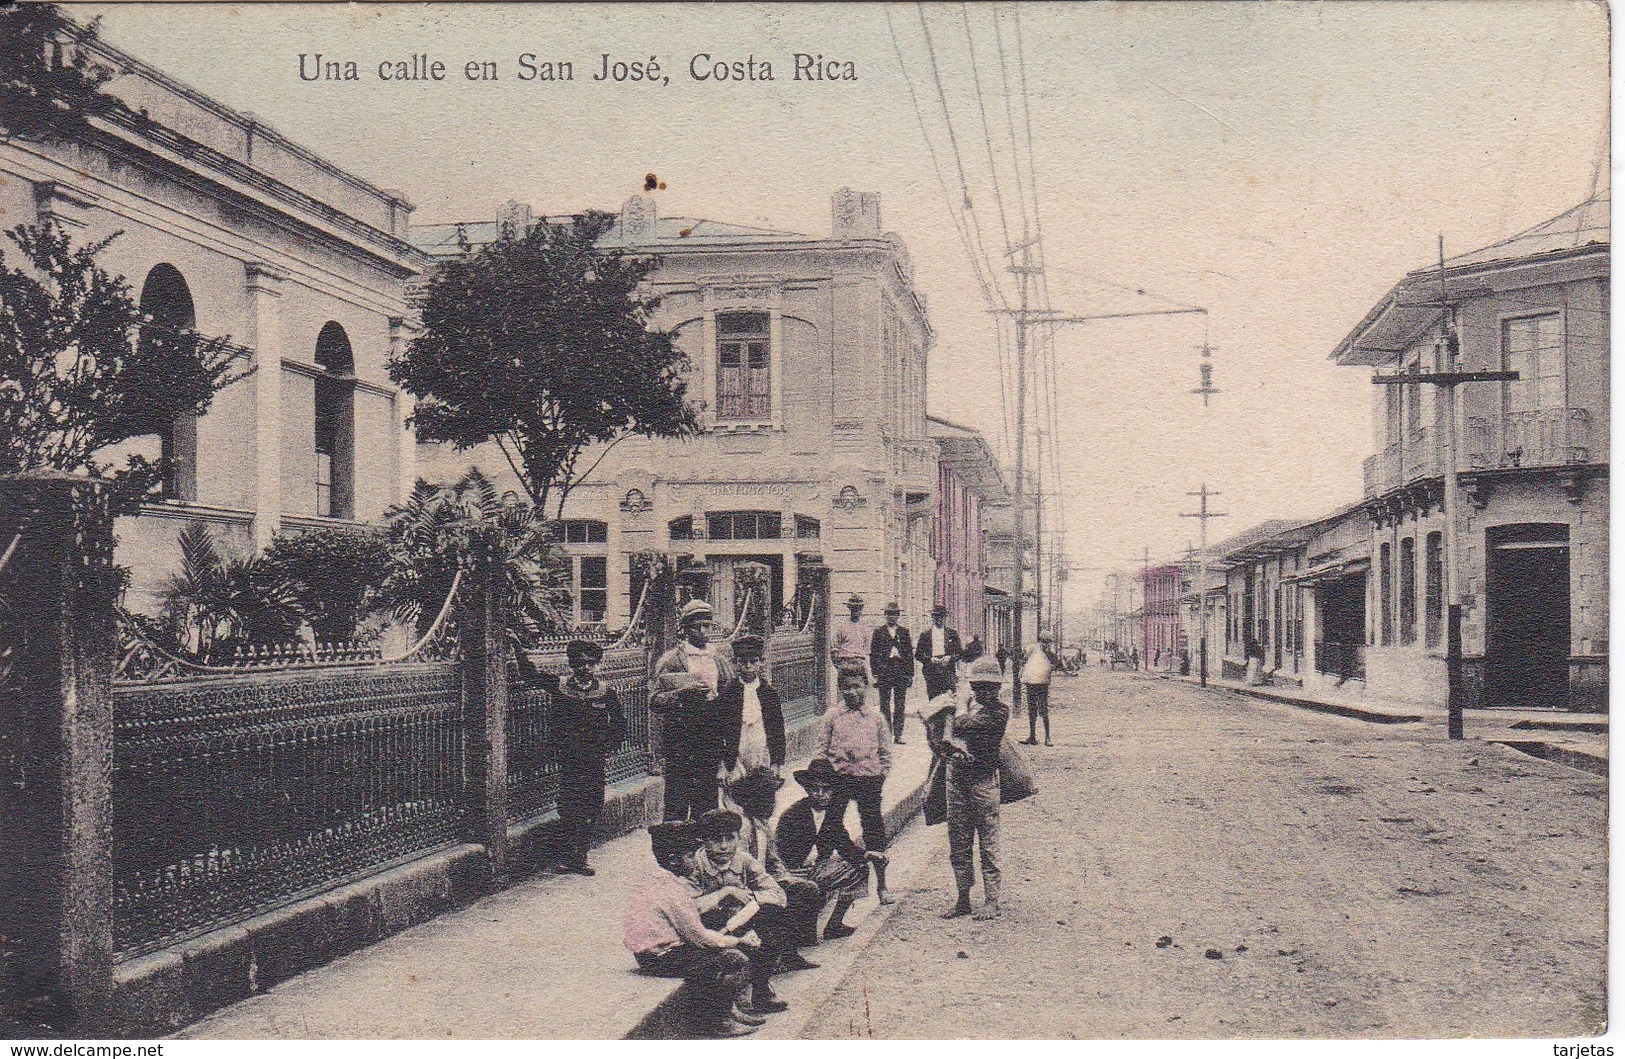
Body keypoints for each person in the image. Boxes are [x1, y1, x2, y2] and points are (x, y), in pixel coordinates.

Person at [623, 821, 761, 1037]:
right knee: (734, 960)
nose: (695, 861)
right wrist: (739, 940)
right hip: (660, 956)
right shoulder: (672, 889)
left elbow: (690, 915)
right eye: (690, 856)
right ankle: (718, 1020)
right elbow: (699, 937)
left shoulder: (659, 879)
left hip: (652, 952)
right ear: (673, 860)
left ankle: (729, 1011)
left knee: (722, 953)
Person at [690, 809, 792, 1017]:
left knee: (775, 919)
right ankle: (725, 1002)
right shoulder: (694, 865)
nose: (724, 846)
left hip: (739, 921)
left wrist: (751, 897)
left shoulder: (744, 860)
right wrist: (723, 893)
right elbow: (687, 906)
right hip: (706, 927)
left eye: (730, 838)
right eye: (716, 840)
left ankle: (761, 988)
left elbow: (777, 894)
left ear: (738, 838)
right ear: (704, 841)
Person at [541, 639, 628, 875]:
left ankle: (581, 856)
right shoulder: (560, 687)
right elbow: (529, 674)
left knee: (592, 806)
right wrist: (517, 647)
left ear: (598, 665)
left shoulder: (605, 691)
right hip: (569, 759)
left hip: (594, 760)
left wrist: (609, 745)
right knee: (569, 807)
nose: (585, 668)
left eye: (591, 663)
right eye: (580, 663)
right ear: (571, 664)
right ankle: (570, 857)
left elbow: (620, 723)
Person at [726, 767, 821, 972]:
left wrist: (785, 879)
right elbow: (739, 869)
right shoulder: (743, 828)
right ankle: (774, 956)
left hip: (762, 884)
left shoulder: (762, 825)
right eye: (769, 798)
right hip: (745, 891)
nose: (773, 803)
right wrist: (771, 889)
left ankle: (789, 953)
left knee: (806, 889)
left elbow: (774, 861)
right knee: (782, 900)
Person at [776, 759, 881, 941]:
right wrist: (793, 873)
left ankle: (834, 925)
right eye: (815, 789)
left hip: (816, 869)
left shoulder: (832, 814)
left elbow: (843, 843)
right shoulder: (793, 815)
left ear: (833, 791)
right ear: (807, 790)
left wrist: (865, 855)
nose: (820, 794)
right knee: (806, 938)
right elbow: (780, 854)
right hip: (793, 872)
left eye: (826, 789)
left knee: (859, 867)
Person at [652, 599, 736, 821]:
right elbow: (655, 701)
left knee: (707, 801)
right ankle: (674, 852)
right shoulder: (672, 660)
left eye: (706, 625)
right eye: (695, 626)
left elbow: (731, 698)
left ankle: (702, 851)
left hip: (710, 737)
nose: (702, 631)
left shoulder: (719, 660)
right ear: (685, 629)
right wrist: (682, 693)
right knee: (677, 800)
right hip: (681, 737)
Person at [817, 667, 895, 905]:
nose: (852, 692)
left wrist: (881, 773)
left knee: (874, 829)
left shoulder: (876, 717)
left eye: (857, 686)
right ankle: (839, 870)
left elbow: (885, 751)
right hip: (839, 778)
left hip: (869, 779)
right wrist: (824, 774)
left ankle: (882, 886)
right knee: (830, 826)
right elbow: (821, 749)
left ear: (866, 687)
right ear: (840, 689)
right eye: (847, 687)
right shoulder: (833, 716)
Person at [942, 656, 1009, 922]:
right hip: (957, 780)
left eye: (990, 687)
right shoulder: (970, 706)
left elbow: (961, 725)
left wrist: (958, 707)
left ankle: (992, 900)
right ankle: (963, 898)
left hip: (983, 782)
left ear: (998, 688)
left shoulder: (999, 712)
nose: (985, 691)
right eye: (980, 686)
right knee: (958, 841)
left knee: (988, 842)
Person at [714, 635, 786, 797]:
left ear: (761, 662)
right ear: (735, 663)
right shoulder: (728, 694)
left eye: (753, 661)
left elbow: (777, 730)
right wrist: (722, 766)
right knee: (735, 805)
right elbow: (717, 732)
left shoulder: (769, 694)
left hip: (762, 755)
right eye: (743, 662)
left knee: (762, 805)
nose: (748, 667)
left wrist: (776, 763)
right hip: (735, 758)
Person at [868, 602, 914, 744]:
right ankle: (887, 734)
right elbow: (873, 654)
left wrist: (910, 674)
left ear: (898, 616)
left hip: (900, 671)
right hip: (884, 672)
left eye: (894, 614)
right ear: (885, 616)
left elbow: (909, 654)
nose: (891, 617)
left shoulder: (904, 632)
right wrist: (875, 674)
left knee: (900, 705)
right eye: (888, 614)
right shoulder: (879, 632)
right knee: (884, 705)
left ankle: (898, 735)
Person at [915, 605, 964, 700]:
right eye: (936, 616)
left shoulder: (952, 634)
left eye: (941, 616)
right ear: (932, 618)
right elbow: (918, 655)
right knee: (934, 701)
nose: (939, 619)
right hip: (931, 671)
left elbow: (960, 653)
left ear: (945, 618)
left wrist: (950, 658)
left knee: (950, 699)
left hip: (948, 670)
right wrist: (930, 659)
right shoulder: (925, 635)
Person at [1021, 635, 1057, 748]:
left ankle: (1047, 737)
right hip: (1031, 682)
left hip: (1042, 683)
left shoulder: (1050, 652)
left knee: (1043, 709)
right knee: (1032, 709)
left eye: (1048, 642)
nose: (1046, 644)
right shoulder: (1032, 648)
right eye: (1044, 642)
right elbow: (1024, 657)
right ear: (1040, 641)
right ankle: (1032, 736)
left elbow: (1056, 663)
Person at [830, 594, 872, 682]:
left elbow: (867, 652)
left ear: (861, 610)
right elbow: (834, 649)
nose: (856, 611)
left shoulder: (865, 628)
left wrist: (867, 672)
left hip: (859, 665)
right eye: (854, 609)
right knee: (845, 693)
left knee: (859, 693)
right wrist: (839, 666)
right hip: (845, 664)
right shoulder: (842, 627)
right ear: (850, 609)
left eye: (859, 608)